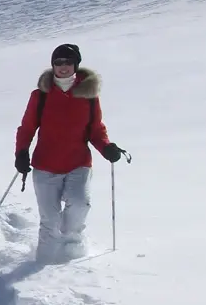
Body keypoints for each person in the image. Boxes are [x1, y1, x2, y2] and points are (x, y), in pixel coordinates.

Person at [15, 44, 124, 262]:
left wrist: (106, 147)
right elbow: (27, 128)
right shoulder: (41, 96)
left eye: (68, 62)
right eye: (58, 62)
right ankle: (43, 264)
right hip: (45, 164)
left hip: (78, 163)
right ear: (53, 65)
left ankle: (73, 258)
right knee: (50, 219)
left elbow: (95, 129)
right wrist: (21, 153)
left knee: (80, 204)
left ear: (76, 65)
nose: (63, 67)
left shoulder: (89, 96)